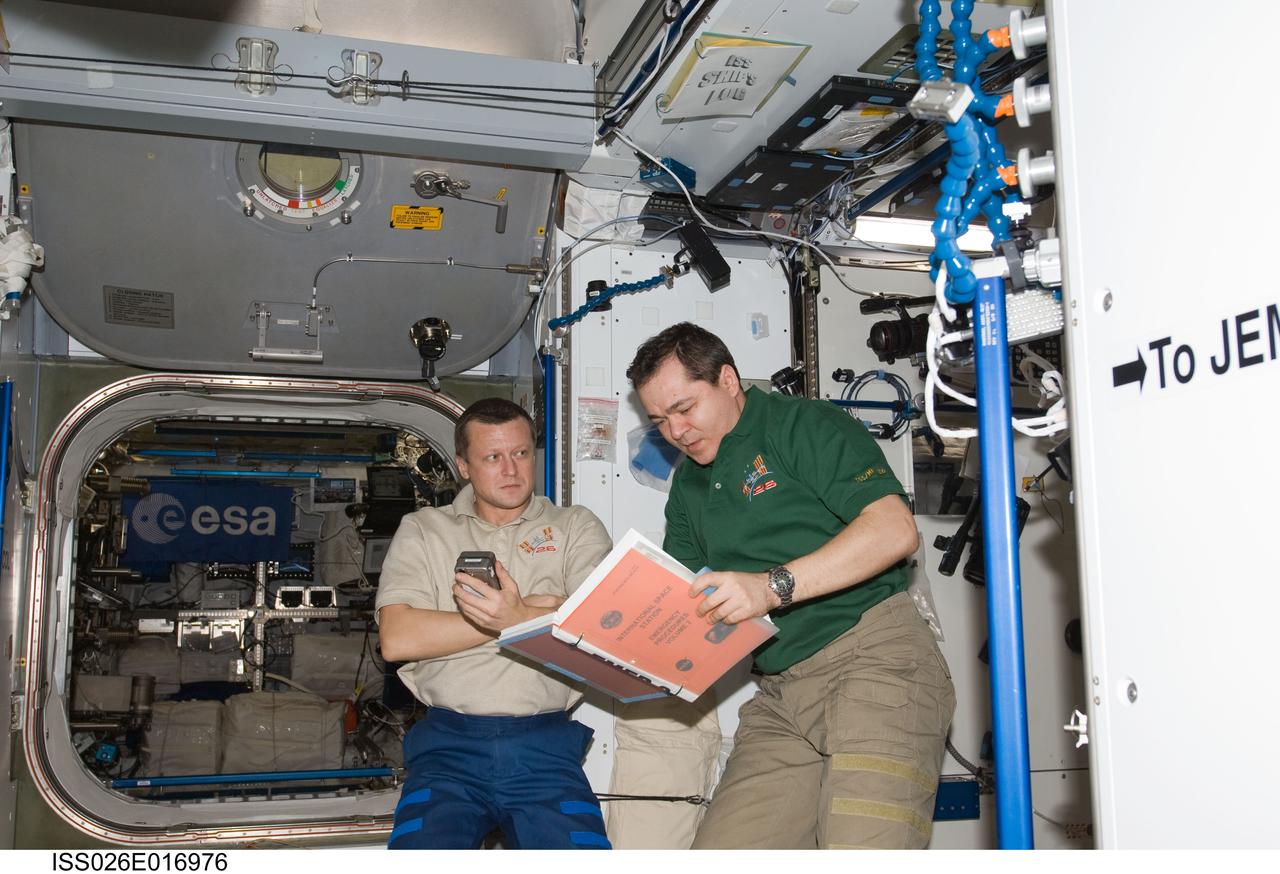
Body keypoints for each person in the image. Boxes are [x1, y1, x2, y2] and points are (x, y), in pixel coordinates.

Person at [627, 322, 956, 850]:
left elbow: (894, 530)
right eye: (660, 420)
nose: (676, 432)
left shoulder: (802, 426)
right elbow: (682, 596)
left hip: (876, 664)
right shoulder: (687, 484)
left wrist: (770, 587)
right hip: (782, 693)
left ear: (728, 381)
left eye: (685, 409)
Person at [375, 397, 613, 849]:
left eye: (521, 453)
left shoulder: (575, 527)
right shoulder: (425, 530)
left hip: (544, 751)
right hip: (447, 751)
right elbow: (398, 637)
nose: (511, 470)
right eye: (492, 457)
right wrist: (512, 618)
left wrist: (510, 616)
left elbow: (600, 624)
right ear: (463, 465)